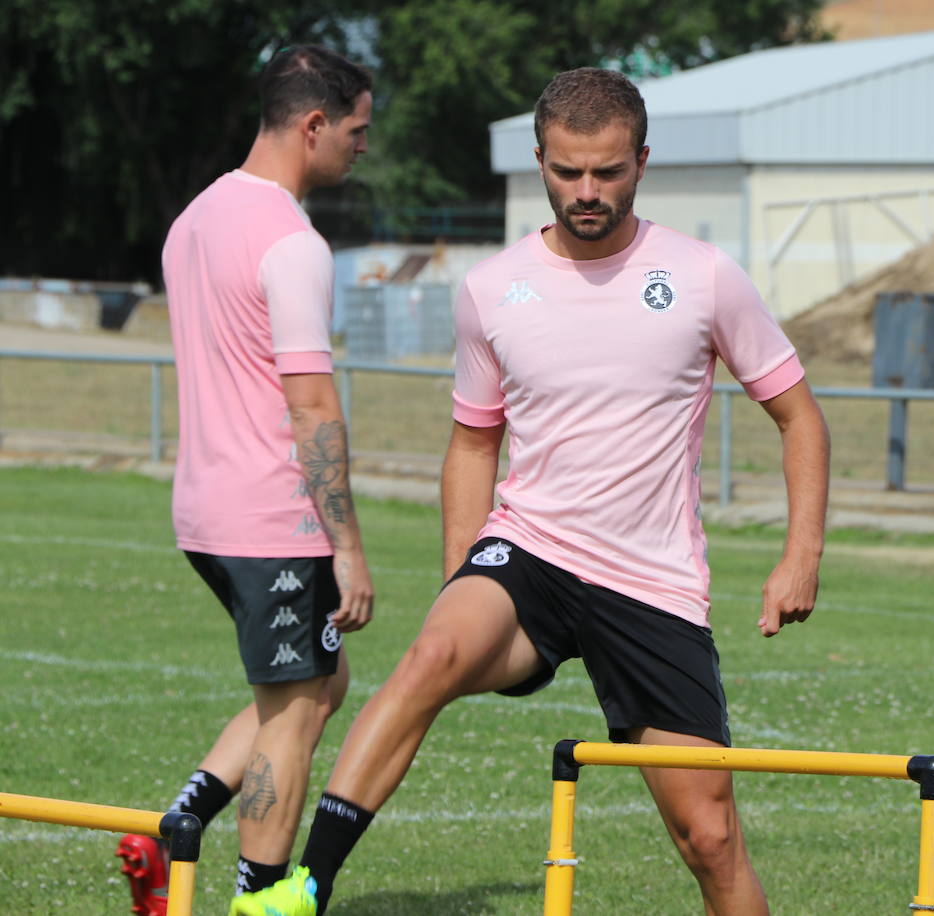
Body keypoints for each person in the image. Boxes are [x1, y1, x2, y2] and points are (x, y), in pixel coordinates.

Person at [229, 67, 830, 916]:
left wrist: (798, 556)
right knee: (430, 656)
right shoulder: (491, 290)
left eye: (609, 172)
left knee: (711, 839)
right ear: (540, 160)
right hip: (530, 555)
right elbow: (474, 442)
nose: (587, 192)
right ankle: (308, 888)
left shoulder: (704, 277)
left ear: (642, 163)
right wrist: (460, 577)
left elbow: (801, 419)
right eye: (567, 171)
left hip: (649, 583)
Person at [114, 45, 375, 916]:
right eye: (356, 131)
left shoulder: (192, 218)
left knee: (316, 687)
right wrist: (347, 546)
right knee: (296, 711)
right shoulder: (292, 242)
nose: (360, 149)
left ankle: (174, 828)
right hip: (274, 521)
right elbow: (310, 406)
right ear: (312, 125)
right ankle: (258, 901)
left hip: (204, 513)